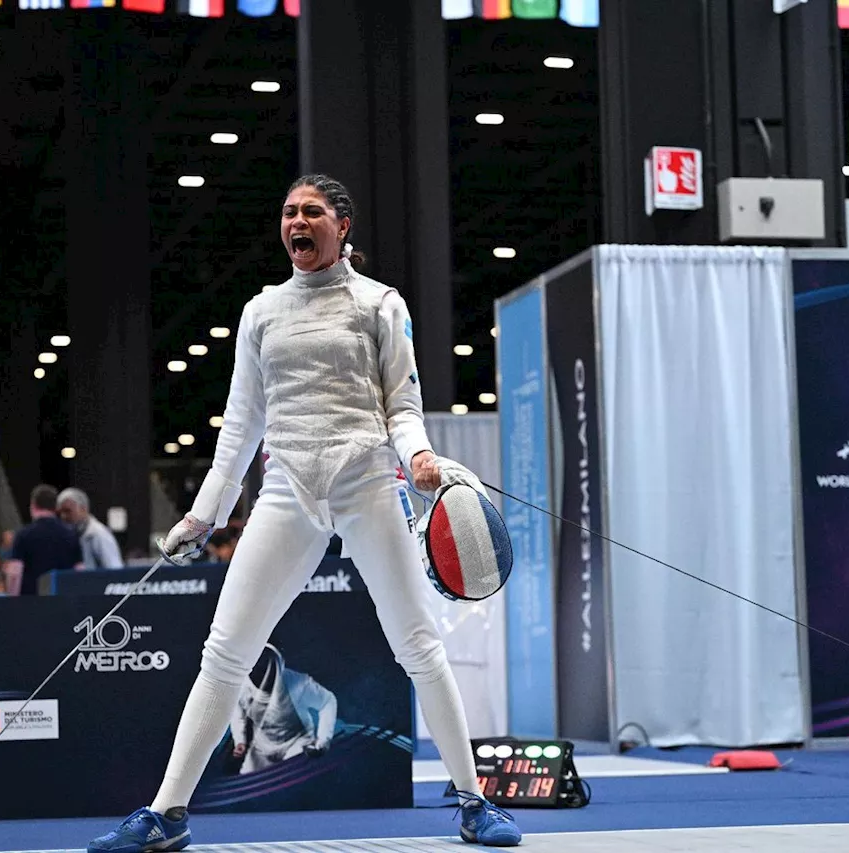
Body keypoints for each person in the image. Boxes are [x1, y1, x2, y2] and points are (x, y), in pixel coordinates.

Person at [88, 175, 520, 852]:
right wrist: (204, 515)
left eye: (311, 211)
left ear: (341, 224)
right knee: (224, 651)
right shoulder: (261, 311)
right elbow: (241, 425)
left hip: (368, 481)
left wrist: (421, 456)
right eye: (289, 210)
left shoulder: (380, 304)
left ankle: (473, 801)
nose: (298, 220)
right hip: (287, 489)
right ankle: (167, 813)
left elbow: (401, 405)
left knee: (418, 644)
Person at [229, 644, 336, 775]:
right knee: (245, 778)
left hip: (296, 743)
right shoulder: (241, 688)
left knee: (292, 774)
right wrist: (240, 741)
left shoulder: (298, 683)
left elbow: (327, 701)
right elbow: (238, 716)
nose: (265, 675)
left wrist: (323, 741)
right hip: (262, 748)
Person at [3, 485, 81, 596]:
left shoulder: (23, 535)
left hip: (32, 603)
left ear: (33, 506)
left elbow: (15, 574)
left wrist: (12, 602)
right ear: (55, 507)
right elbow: (79, 571)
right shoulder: (71, 535)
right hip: (63, 602)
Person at [57, 487, 124, 569]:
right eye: (61, 512)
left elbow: (115, 569)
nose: (63, 516)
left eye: (68, 511)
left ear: (83, 509)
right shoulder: (71, 535)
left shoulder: (99, 534)